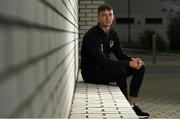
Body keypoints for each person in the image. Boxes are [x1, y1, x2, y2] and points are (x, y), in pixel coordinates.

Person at [80, 4, 150, 119]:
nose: (107, 18)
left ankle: (131, 104)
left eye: (110, 15)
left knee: (140, 67)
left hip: (104, 69)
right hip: (91, 73)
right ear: (98, 17)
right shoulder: (91, 36)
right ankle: (125, 108)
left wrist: (133, 60)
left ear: (113, 17)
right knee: (120, 70)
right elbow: (102, 61)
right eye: (104, 15)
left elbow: (120, 55)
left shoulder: (112, 33)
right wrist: (128, 64)